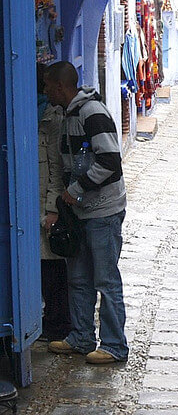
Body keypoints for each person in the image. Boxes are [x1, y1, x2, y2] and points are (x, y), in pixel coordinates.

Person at [43, 61, 129, 364]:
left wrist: (75, 191)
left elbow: (109, 161)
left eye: (47, 86)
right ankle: (81, 337)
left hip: (103, 211)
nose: (44, 91)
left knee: (105, 280)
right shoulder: (68, 115)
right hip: (80, 213)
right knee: (78, 279)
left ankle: (115, 345)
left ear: (60, 87)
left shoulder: (91, 113)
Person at [37, 63, 72, 342]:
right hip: (32, 203)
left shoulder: (53, 119)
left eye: (50, 85)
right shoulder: (35, 115)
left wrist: (52, 208)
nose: (48, 89)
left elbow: (56, 168)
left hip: (46, 206)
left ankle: (58, 325)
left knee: (54, 269)